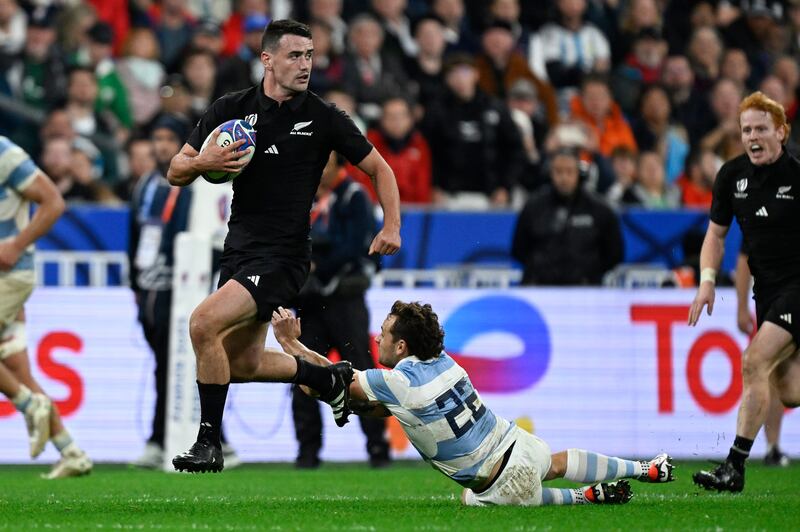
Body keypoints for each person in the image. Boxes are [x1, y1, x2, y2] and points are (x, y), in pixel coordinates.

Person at [165, 19, 401, 473]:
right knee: (242, 363)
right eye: (295, 55)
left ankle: (208, 443)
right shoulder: (230, 110)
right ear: (267, 59)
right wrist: (204, 161)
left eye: (310, 55)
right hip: (239, 251)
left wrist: (391, 225)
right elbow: (176, 169)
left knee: (202, 324)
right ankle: (327, 378)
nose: (306, 64)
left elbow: (380, 169)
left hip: (284, 257)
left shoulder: (323, 117)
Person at [271, 302, 675, 507]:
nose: (376, 339)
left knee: (476, 499)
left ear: (402, 345)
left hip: (496, 481)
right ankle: (644, 468)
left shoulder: (396, 381)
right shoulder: (446, 362)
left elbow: (333, 378)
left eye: (384, 333)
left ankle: (579, 498)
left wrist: (290, 344)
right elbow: (381, 406)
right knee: (553, 463)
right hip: (521, 444)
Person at [689, 91, 800, 492]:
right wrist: (705, 282)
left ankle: (734, 466)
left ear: (782, 132)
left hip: (798, 287)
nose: (752, 136)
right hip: (768, 293)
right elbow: (715, 237)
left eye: (761, 129)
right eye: (746, 129)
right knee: (789, 392)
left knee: (753, 362)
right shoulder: (731, 176)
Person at [128, 116, 239, 469]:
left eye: (168, 139)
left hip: (182, 289)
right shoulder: (145, 184)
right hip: (150, 289)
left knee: (186, 364)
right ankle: (170, 438)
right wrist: (134, 283)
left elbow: (208, 241)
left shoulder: (197, 185)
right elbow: (135, 236)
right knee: (166, 365)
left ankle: (180, 439)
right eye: (156, 138)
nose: (161, 146)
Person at [0, 135, 92, 478]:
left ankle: (28, 404)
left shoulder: (5, 153)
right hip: (9, 281)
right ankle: (71, 452)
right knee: (16, 367)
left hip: (8, 274)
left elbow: (53, 201)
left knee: (20, 379)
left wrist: (15, 245)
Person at [291, 152, 389, 469]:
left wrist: (316, 263)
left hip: (344, 301)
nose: (318, 170)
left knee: (359, 372)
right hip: (310, 302)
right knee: (305, 372)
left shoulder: (353, 196)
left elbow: (356, 245)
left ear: (339, 165)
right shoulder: (301, 196)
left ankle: (377, 445)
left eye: (325, 163)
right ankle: (307, 450)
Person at [511, 148, 623, 286]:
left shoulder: (599, 209)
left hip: (585, 289)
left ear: (579, 173)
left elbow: (614, 253)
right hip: (541, 289)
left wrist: (589, 273)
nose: (564, 178)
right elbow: (519, 249)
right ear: (550, 173)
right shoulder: (533, 206)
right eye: (558, 171)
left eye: (569, 171)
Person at [734, 246, 790, 468]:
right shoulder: (766, 216)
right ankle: (772, 446)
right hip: (776, 302)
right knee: (773, 373)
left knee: (786, 384)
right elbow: (745, 258)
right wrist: (741, 307)